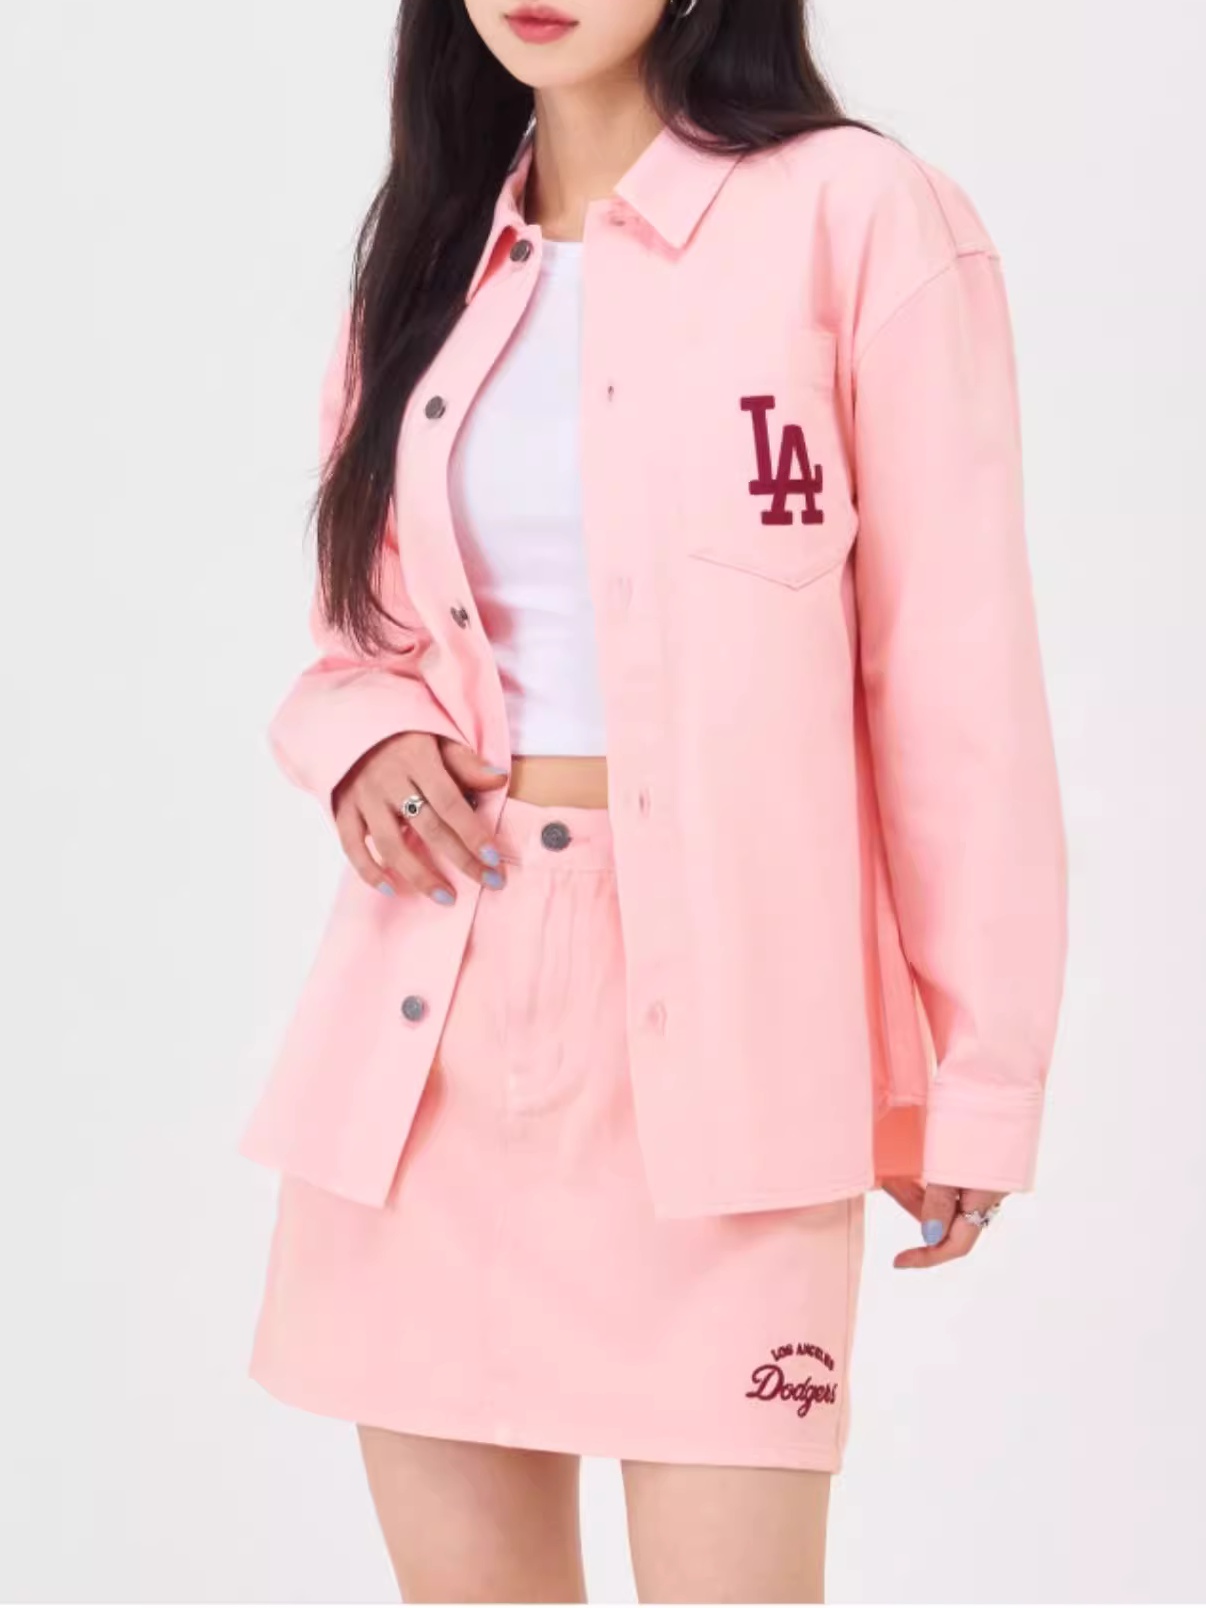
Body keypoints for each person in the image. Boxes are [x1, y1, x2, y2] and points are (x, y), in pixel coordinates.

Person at [240, 0, 1068, 1599]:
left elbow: (954, 678)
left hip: (734, 1048)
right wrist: (366, 732)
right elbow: (360, 632)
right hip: (430, 1039)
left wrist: (978, 1073)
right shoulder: (428, 249)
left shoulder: (856, 215)